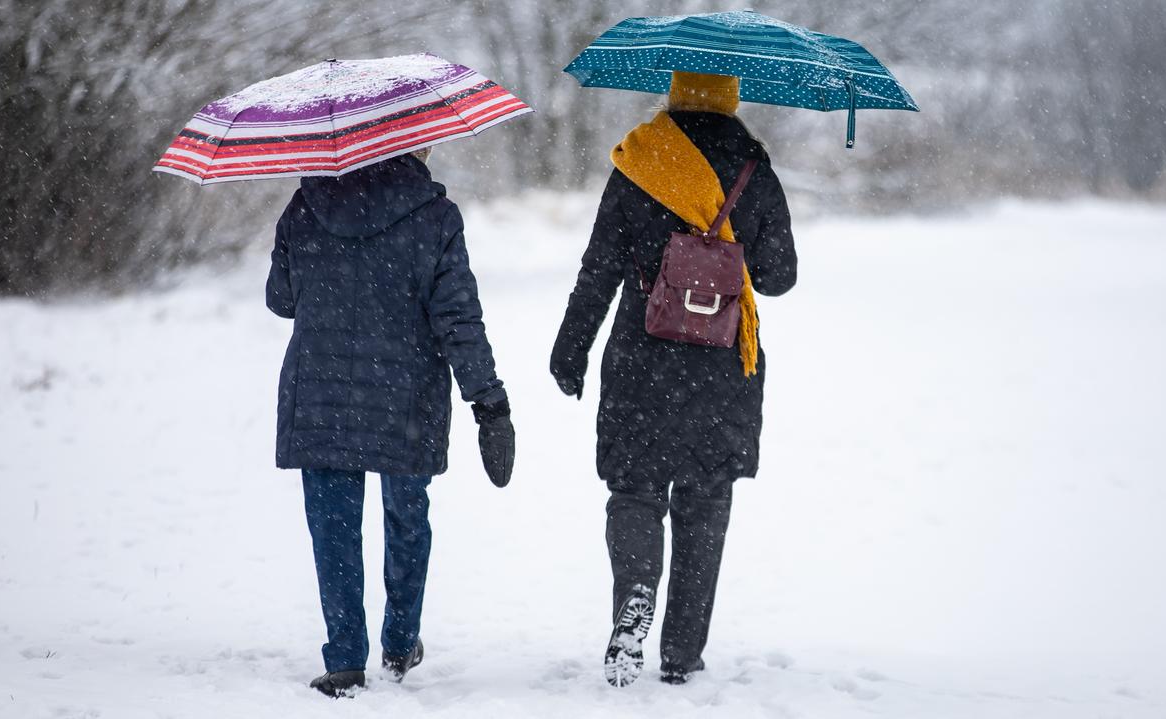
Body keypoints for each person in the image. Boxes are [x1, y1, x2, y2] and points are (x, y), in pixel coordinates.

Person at [550, 72, 797, 687]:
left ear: (674, 91)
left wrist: (570, 347)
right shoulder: (753, 169)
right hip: (721, 367)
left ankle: (635, 597)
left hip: (641, 357)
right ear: (731, 98)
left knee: (634, 489)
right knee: (705, 499)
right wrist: (727, 248)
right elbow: (778, 276)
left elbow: (598, 266)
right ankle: (682, 651)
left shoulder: (638, 158)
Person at [267, 147, 515, 698]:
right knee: (406, 516)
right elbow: (458, 320)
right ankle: (400, 641)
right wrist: (488, 401)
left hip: (321, 395)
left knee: (333, 526)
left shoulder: (304, 208)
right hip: (406, 398)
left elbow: (280, 299)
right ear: (417, 142)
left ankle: (345, 658)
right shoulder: (434, 216)